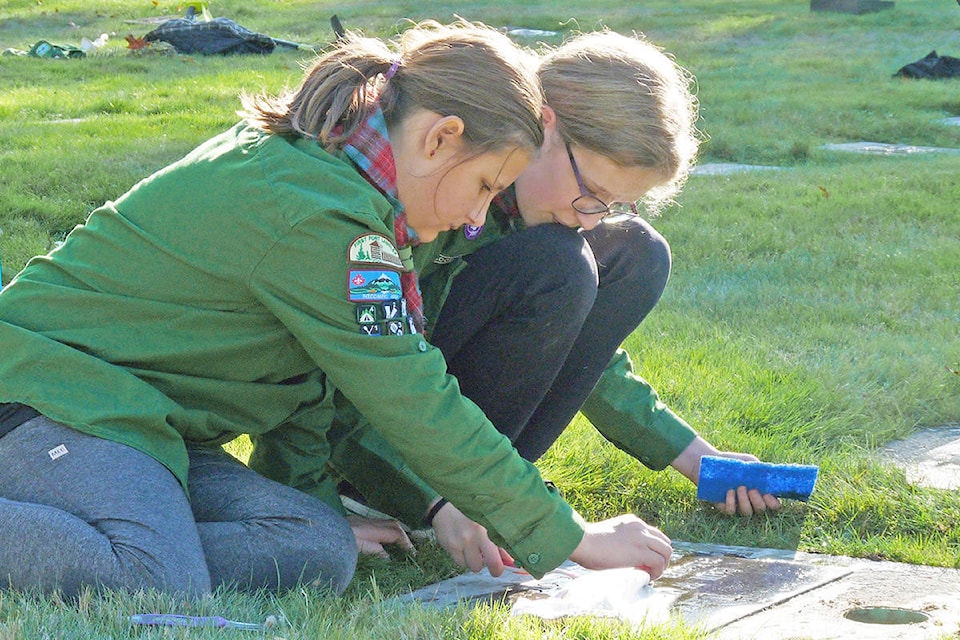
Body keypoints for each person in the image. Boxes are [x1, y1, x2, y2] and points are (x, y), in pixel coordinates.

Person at [0, 21, 673, 600]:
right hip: (51, 402)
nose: (477, 216)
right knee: (156, 582)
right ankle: (141, 546)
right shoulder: (324, 216)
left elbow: (306, 384)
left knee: (318, 549)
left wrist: (318, 494)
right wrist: (570, 537)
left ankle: (132, 534)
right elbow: (414, 399)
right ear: (440, 138)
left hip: (151, 432)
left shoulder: (360, 194)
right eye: (483, 186)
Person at [326, 31, 782, 573]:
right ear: (544, 123)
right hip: (373, 424)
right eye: (591, 191)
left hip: (447, 433)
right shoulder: (439, 185)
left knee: (637, 251)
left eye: (612, 203)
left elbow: (583, 352)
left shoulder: (545, 212)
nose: (591, 217)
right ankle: (416, 491)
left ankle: (491, 490)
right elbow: (364, 366)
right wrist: (439, 498)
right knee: (561, 265)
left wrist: (700, 459)